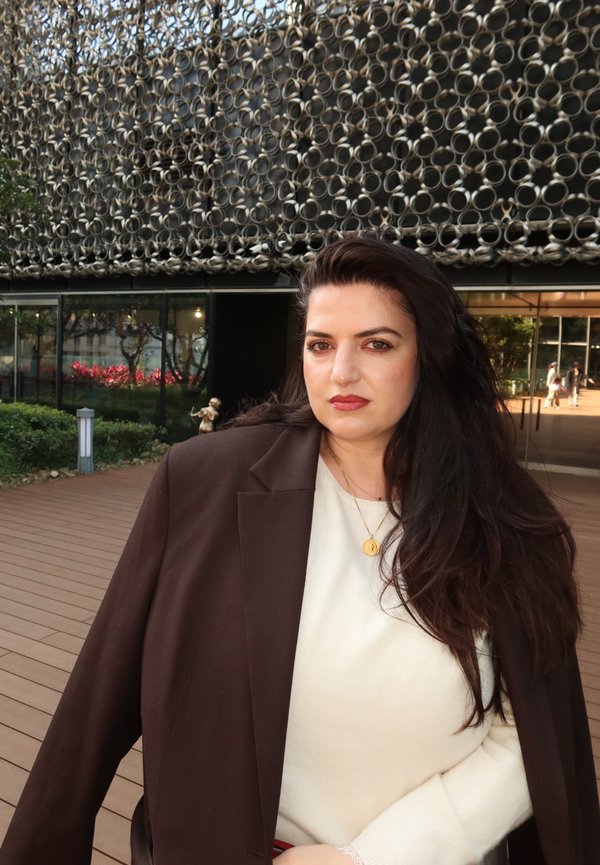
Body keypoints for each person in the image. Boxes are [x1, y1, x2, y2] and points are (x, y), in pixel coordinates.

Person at [1, 237, 598, 865]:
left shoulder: (508, 519)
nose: (341, 373)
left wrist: (376, 857)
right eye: (321, 345)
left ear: (429, 356)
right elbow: (99, 699)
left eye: (376, 344)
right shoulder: (205, 482)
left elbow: (528, 735)